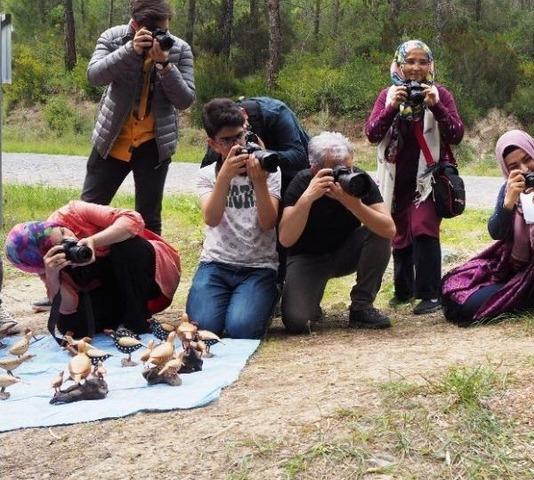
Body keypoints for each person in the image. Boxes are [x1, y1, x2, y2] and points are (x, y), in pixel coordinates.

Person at [441, 130, 534, 325]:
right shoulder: (510, 187)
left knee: (468, 308)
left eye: (528, 159)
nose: (525, 169)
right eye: (514, 166)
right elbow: (496, 232)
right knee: (451, 288)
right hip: (516, 268)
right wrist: (508, 204)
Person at [365, 39, 464, 315]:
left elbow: (456, 134)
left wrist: (436, 107)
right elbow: (372, 134)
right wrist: (390, 108)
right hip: (396, 178)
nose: (416, 68)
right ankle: (403, 291)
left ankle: (429, 294)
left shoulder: (441, 94)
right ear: (399, 64)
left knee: (422, 226)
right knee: (398, 234)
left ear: (430, 65)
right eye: (410, 61)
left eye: (423, 61)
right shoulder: (387, 95)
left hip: (429, 178)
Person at [82, 0, 195, 235]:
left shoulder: (179, 49)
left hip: (154, 145)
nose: (161, 36)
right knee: (88, 212)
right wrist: (129, 51)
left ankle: (149, 270)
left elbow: (185, 100)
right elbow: (94, 75)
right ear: (135, 25)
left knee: (149, 220)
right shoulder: (113, 38)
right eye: (154, 31)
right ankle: (83, 265)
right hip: (111, 141)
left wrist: (165, 65)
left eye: (164, 30)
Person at [4, 201, 181, 338]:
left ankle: (137, 321)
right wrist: (52, 275)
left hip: (143, 274)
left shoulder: (71, 212)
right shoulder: (48, 264)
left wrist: (95, 241)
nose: (71, 239)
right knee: (68, 325)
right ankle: (120, 322)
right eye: (61, 246)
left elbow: (133, 219)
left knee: (126, 245)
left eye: (64, 232)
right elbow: (68, 306)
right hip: (109, 289)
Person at [278, 132, 396, 332]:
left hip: (345, 251)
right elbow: (286, 239)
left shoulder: (358, 181)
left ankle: (361, 306)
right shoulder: (302, 182)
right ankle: (310, 302)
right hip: (308, 258)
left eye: (347, 168)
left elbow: (389, 229)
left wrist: (354, 205)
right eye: (335, 170)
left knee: (378, 232)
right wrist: (307, 198)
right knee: (296, 321)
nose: (343, 175)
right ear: (314, 168)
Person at [184, 100, 281, 339]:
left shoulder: (269, 170)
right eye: (227, 141)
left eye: (240, 136)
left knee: (242, 329)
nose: (236, 145)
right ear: (213, 144)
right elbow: (212, 218)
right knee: (202, 328)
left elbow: (268, 222)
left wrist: (258, 181)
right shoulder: (207, 175)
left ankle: (268, 297)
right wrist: (224, 178)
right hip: (216, 263)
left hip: (258, 266)